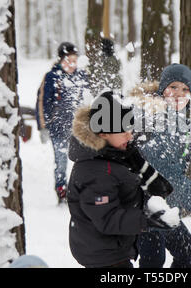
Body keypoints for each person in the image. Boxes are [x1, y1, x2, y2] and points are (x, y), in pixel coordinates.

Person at [67, 91, 177, 268]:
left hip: (114, 248)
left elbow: (159, 187)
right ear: (103, 133)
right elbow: (107, 218)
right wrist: (145, 220)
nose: (130, 135)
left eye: (130, 128)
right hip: (103, 255)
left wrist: (136, 160)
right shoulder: (95, 170)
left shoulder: (116, 155)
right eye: (123, 130)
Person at [128, 64, 191, 268]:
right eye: (173, 87)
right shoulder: (156, 120)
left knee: (187, 253)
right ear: (163, 89)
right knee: (156, 260)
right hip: (144, 205)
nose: (179, 94)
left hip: (161, 204)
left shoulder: (179, 121)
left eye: (185, 89)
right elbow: (168, 176)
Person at [36, 42, 89, 203]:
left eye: (74, 60)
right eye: (68, 60)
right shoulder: (52, 77)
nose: (72, 64)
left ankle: (80, 189)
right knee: (61, 159)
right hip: (58, 127)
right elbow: (41, 102)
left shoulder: (81, 76)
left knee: (81, 160)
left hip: (78, 129)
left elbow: (87, 101)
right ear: (61, 60)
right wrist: (43, 126)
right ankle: (61, 188)